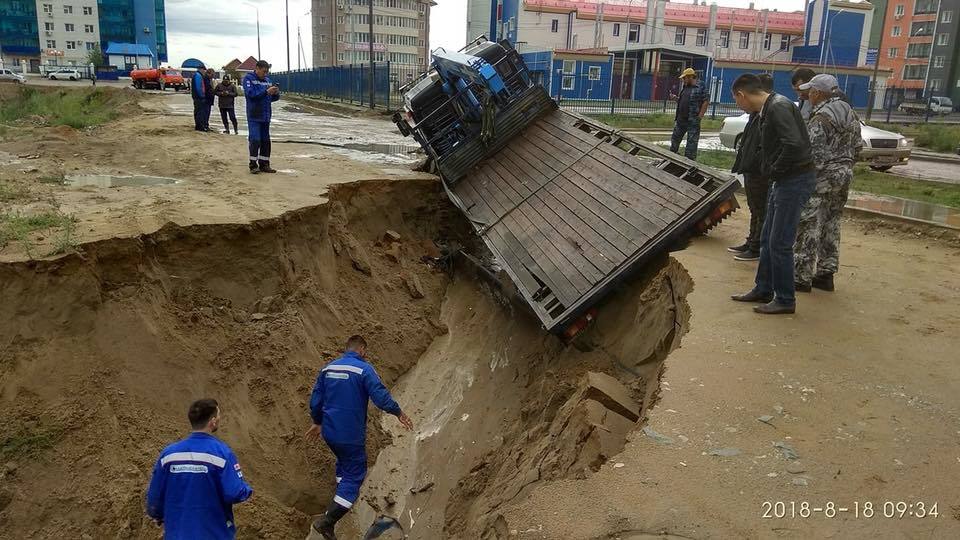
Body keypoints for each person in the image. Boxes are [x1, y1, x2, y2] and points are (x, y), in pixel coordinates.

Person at [305, 335, 414, 540]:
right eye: (366, 351)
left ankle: (340, 491)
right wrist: (398, 412)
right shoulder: (364, 369)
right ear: (362, 350)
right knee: (355, 474)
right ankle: (327, 522)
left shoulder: (328, 369)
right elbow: (380, 397)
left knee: (343, 461)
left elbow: (316, 400)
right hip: (350, 434)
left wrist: (317, 421)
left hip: (330, 432)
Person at [730, 74, 816, 315]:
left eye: (737, 102)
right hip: (783, 179)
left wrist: (774, 170)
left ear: (741, 95)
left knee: (780, 242)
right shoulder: (770, 108)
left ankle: (785, 298)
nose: (739, 106)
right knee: (768, 238)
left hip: (794, 179)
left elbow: (794, 145)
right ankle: (764, 287)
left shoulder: (777, 108)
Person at [146, 398, 253, 539]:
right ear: (213, 421)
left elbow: (155, 498)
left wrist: (158, 514)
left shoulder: (169, 455)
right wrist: (247, 489)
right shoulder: (222, 453)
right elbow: (234, 492)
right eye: (218, 415)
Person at [793, 74, 862, 292]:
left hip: (821, 180)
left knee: (808, 224)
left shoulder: (820, 118)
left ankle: (800, 276)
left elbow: (816, 158)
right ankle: (826, 272)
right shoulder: (850, 113)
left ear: (818, 93)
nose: (808, 95)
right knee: (832, 222)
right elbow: (858, 147)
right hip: (844, 175)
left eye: (810, 91)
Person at [728, 73, 775, 262]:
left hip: (760, 170)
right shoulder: (756, 114)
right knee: (755, 207)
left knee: (761, 208)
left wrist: (757, 163)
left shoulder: (769, 112)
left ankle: (757, 246)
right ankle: (752, 241)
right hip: (751, 168)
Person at [242, 60, 281, 174]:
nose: (265, 74)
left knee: (265, 141)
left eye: (267, 72)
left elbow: (271, 98)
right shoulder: (248, 79)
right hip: (254, 115)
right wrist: (266, 92)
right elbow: (251, 95)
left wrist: (275, 93)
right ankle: (253, 164)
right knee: (255, 139)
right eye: (264, 71)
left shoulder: (268, 81)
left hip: (266, 115)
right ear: (257, 68)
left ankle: (264, 164)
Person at [669, 67, 710, 160]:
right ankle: (671, 159)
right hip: (681, 119)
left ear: (690, 77)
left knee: (691, 144)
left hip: (693, 120)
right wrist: (676, 99)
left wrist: (699, 117)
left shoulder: (701, 86)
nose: (683, 80)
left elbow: (706, 101)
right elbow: (683, 101)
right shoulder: (685, 87)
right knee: (675, 140)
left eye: (684, 78)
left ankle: (689, 163)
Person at [191, 63, 207, 131]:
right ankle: (200, 127)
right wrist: (202, 95)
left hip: (197, 96)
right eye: (204, 70)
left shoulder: (197, 75)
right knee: (199, 112)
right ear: (201, 69)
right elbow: (198, 87)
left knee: (198, 111)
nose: (204, 71)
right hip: (198, 97)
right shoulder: (198, 76)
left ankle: (199, 126)